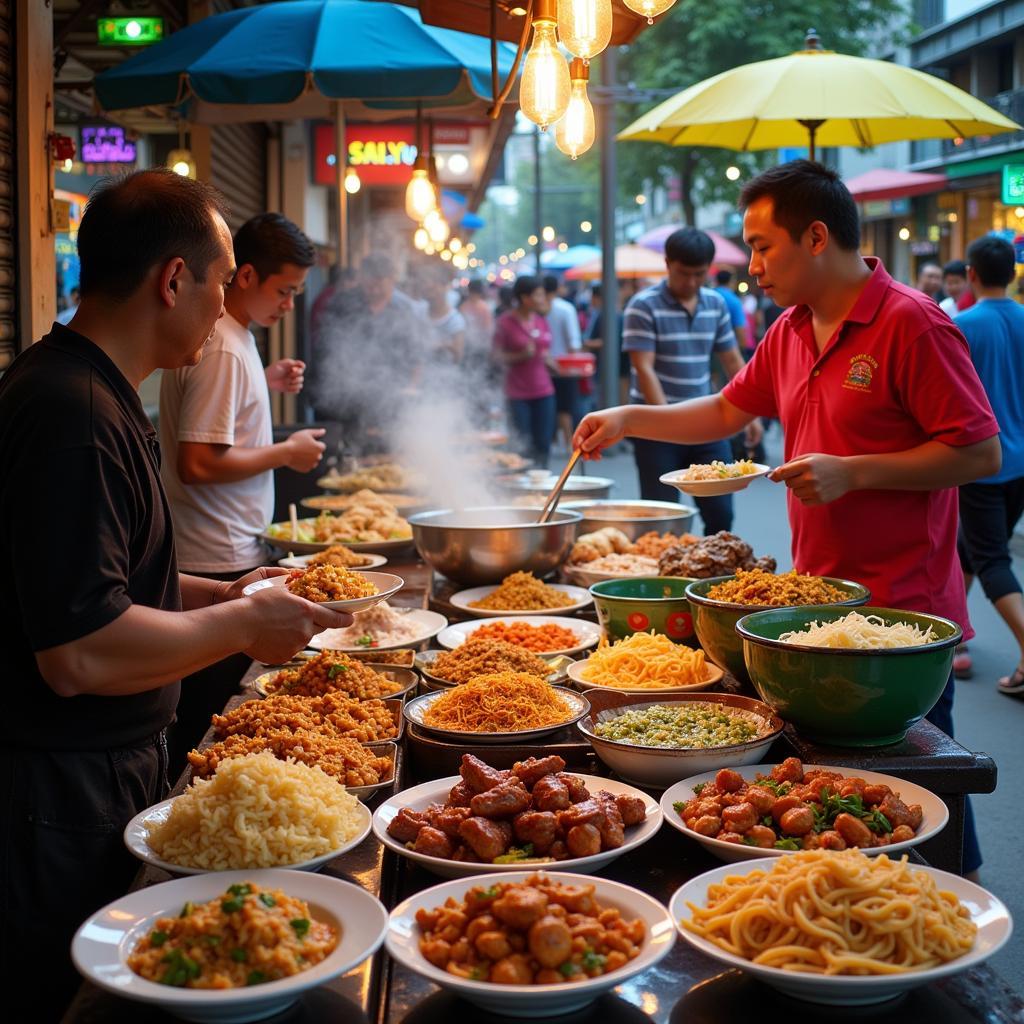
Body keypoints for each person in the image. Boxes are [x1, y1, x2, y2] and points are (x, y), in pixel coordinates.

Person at [574, 160, 1000, 875]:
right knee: (841, 802)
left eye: (763, 245)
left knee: (923, 798)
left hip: (899, 615)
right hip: (812, 606)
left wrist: (854, 469)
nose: (753, 264)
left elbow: (979, 451)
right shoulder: (791, 329)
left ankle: (956, 911)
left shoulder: (912, 324)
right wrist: (628, 418)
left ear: (816, 236)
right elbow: (724, 410)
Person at [0, 170, 352, 1020]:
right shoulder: (72, 415)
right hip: (56, 793)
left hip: (98, 774)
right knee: (70, 999)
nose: (229, 298)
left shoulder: (94, 390)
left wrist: (231, 588)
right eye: (222, 277)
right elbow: (78, 654)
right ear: (172, 279)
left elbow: (118, 585)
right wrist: (239, 623)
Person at [159, 212, 327, 772]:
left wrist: (267, 382)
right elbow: (199, 462)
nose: (289, 305)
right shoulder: (226, 348)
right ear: (246, 276)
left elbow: (216, 424)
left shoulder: (234, 341)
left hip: (223, 551)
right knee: (213, 724)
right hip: (218, 559)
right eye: (285, 290)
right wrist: (286, 452)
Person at [622, 226, 762, 532]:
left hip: (707, 423)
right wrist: (667, 422)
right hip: (655, 428)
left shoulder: (715, 304)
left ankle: (716, 576)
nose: (692, 282)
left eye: (700, 274)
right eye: (684, 273)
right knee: (663, 518)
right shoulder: (642, 306)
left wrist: (749, 414)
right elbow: (643, 369)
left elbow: (732, 361)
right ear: (668, 263)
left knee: (721, 514)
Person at [953, 235, 1024, 697]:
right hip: (1021, 464)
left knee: (991, 555)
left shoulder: (961, 325)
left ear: (972, 275)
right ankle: (952, 635)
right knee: (966, 549)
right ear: (1014, 274)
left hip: (980, 461)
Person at [493, 275, 558, 468]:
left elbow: (545, 351)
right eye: (538, 295)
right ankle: (522, 487)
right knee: (522, 447)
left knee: (544, 444)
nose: (543, 299)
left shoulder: (541, 321)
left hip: (544, 391)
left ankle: (542, 484)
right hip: (517, 394)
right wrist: (519, 356)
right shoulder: (505, 322)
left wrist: (551, 363)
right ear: (524, 298)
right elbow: (495, 357)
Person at [543, 274, 585, 444]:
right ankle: (569, 445)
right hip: (564, 367)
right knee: (565, 409)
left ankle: (554, 441)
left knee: (552, 408)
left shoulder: (540, 309)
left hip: (543, 367)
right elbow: (573, 343)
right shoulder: (566, 309)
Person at [419, 262, 466, 363]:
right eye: (427, 289)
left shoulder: (456, 320)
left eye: (433, 288)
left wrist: (443, 346)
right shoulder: (419, 311)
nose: (430, 293)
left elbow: (457, 357)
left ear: (445, 287)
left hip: (444, 373)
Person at [714, 268, 750, 351]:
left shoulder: (709, 297)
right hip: (728, 350)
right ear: (731, 281)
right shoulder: (734, 301)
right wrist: (742, 348)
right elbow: (740, 329)